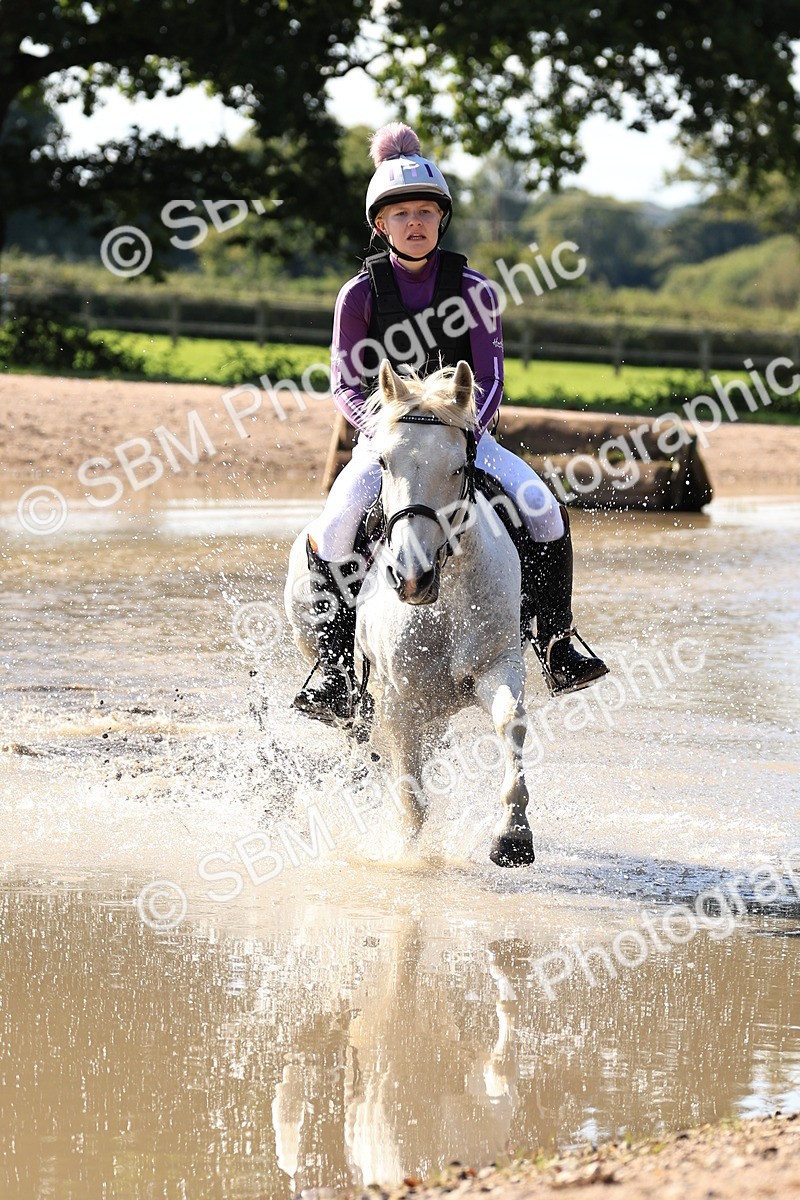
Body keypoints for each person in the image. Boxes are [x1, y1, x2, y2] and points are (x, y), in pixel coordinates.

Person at [293, 123, 607, 724]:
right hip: (385, 444)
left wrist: (467, 431)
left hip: (465, 440)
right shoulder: (357, 296)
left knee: (541, 507)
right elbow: (343, 384)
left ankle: (556, 642)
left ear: (443, 220)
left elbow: (490, 380)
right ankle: (333, 672)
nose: (416, 223)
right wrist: (382, 433)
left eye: (427, 212)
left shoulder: (475, 290)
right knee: (335, 528)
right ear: (380, 224)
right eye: (402, 213)